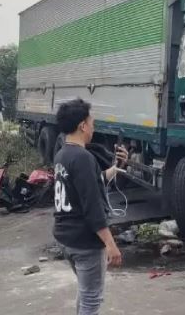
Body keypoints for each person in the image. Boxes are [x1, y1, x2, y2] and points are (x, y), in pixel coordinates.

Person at [53, 99, 123, 315]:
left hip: (66, 238)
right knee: (92, 300)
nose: (94, 126)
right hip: (85, 242)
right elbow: (93, 208)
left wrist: (117, 167)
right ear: (83, 125)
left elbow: (93, 181)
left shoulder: (63, 154)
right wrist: (110, 244)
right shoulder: (83, 157)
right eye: (92, 121)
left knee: (85, 294)